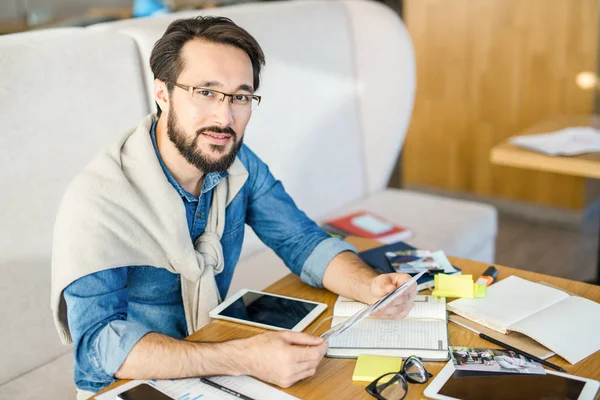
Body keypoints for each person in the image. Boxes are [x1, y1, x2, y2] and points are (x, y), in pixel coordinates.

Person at [50, 16, 417, 399]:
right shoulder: (100, 199)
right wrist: (242, 357)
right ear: (162, 93)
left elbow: (301, 240)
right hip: (132, 385)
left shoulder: (238, 164)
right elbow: (98, 346)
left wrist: (370, 285)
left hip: (214, 363)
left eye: (240, 97)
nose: (224, 118)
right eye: (206, 92)